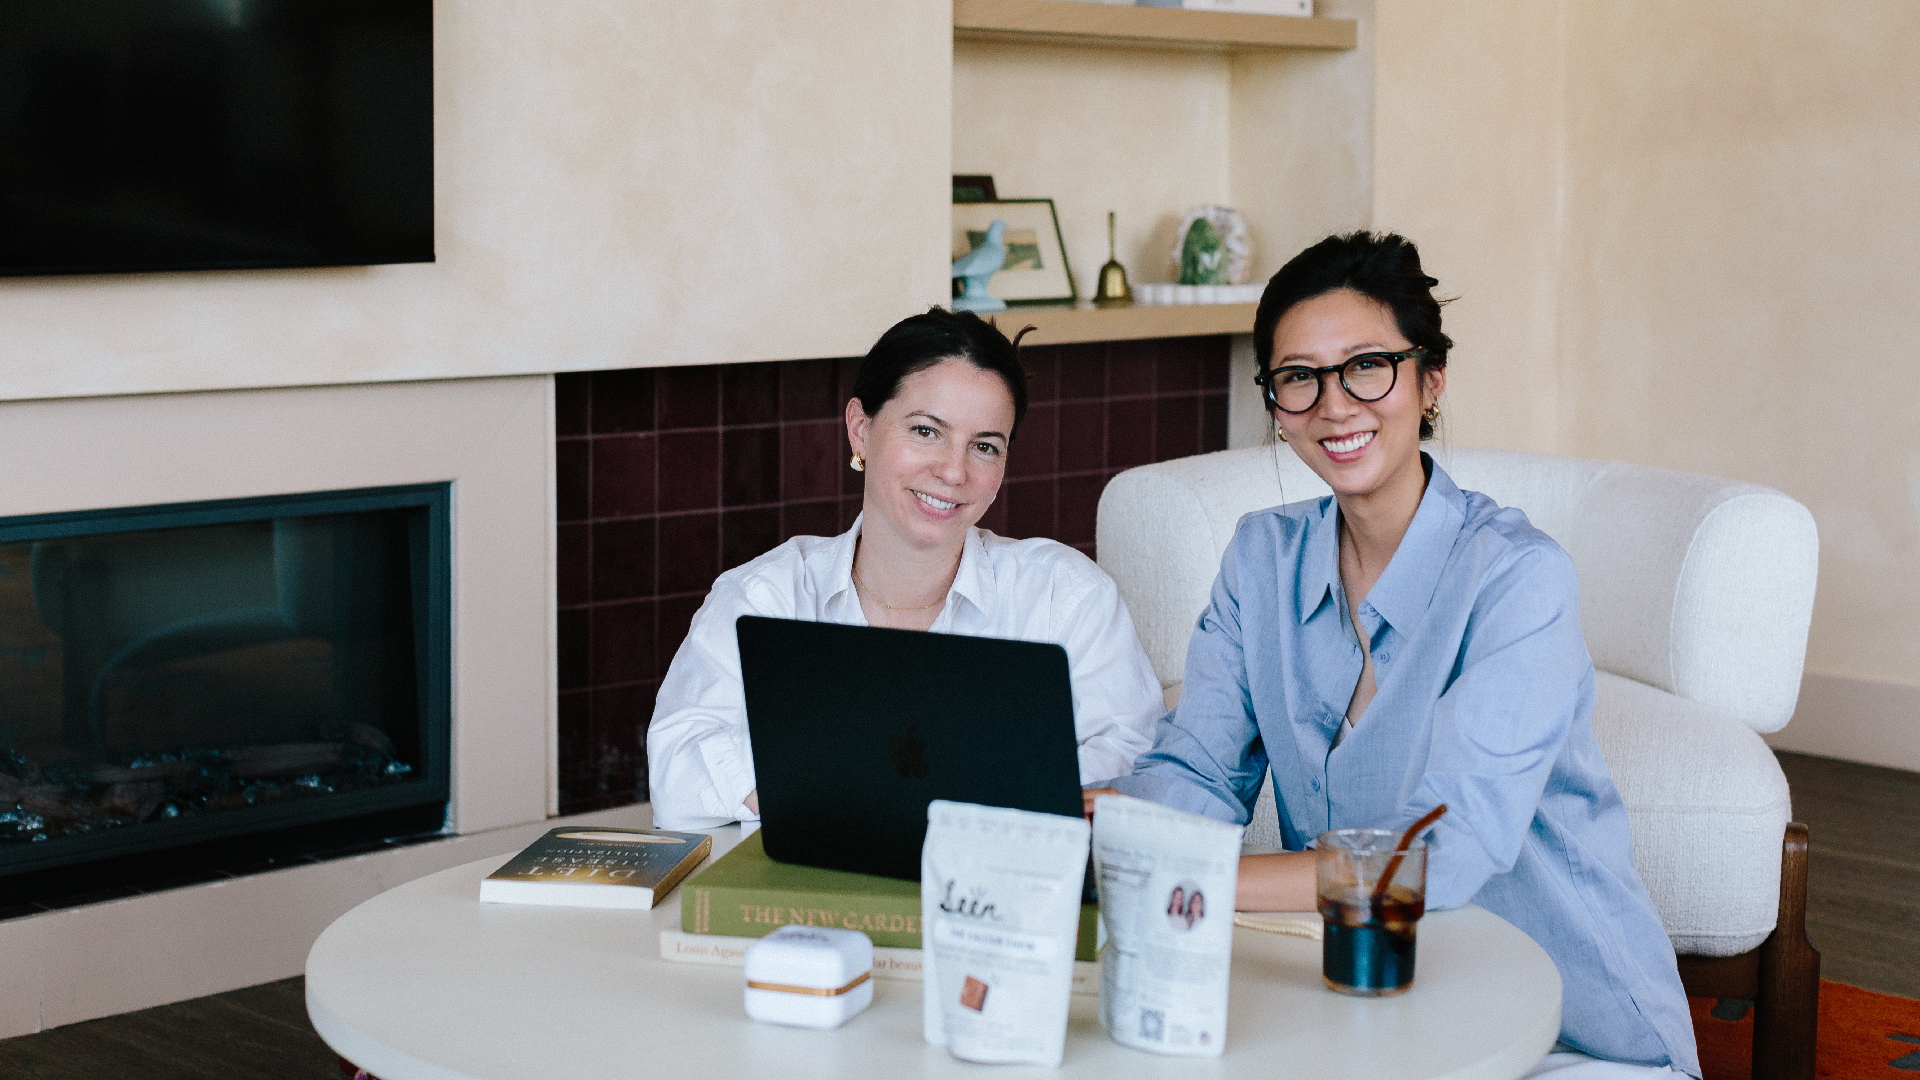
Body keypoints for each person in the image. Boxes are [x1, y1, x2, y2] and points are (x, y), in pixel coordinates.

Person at [1096, 233, 1700, 1077]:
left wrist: (1192, 878)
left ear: (1430, 381)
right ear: (1274, 401)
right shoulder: (1261, 559)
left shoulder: (1518, 577)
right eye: (1298, 377)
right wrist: (1118, 830)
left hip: (1573, 1036)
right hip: (1368, 1015)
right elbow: (1197, 771)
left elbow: (1438, 849)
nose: (1334, 406)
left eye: (1368, 366)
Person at [647, 307, 1165, 832]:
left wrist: (855, 783)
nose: (953, 471)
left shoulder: (1065, 597)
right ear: (860, 430)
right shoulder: (764, 598)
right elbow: (678, 764)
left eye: (984, 446)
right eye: (926, 431)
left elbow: (1138, 761)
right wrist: (891, 786)